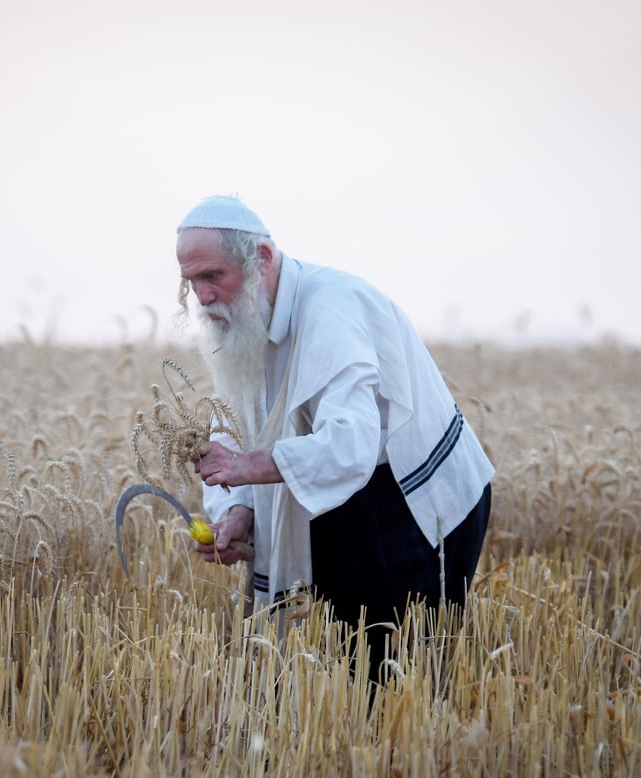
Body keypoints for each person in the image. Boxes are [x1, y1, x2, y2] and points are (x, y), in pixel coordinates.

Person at [176, 194, 494, 682]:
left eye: (212, 276)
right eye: (191, 281)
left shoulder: (331, 308)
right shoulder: (241, 320)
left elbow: (350, 445)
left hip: (414, 497)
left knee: (397, 673)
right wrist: (238, 510)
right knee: (345, 662)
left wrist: (249, 469)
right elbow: (235, 426)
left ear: (261, 258)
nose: (202, 296)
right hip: (347, 498)